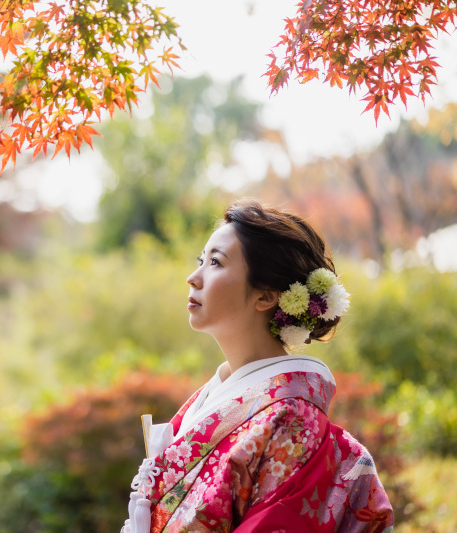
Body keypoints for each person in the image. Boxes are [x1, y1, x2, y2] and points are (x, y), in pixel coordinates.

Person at [122, 200, 393, 533]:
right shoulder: (216, 397)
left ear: (266, 296)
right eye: (200, 261)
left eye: (215, 262)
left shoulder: (292, 419)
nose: (193, 278)